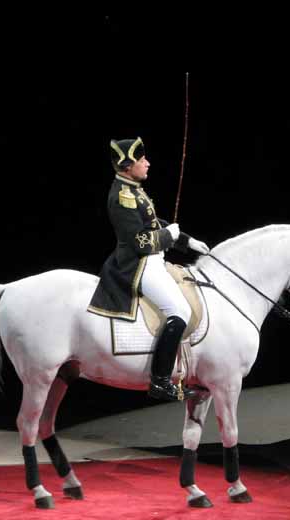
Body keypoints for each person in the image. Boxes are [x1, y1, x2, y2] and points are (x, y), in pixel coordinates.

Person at [88, 137, 209, 401]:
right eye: (142, 160)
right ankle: (160, 381)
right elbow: (140, 241)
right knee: (180, 312)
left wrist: (186, 240)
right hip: (138, 264)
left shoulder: (133, 189)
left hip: (153, 259)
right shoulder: (122, 196)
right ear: (128, 165)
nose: (148, 164)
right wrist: (168, 235)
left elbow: (153, 223)